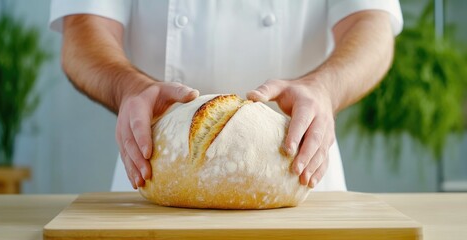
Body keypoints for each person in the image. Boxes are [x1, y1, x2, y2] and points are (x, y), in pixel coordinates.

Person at [50, 0, 403, 192]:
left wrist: (325, 87)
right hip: (156, 168)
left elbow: (371, 23)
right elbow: (84, 26)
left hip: (298, 164)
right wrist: (129, 86)